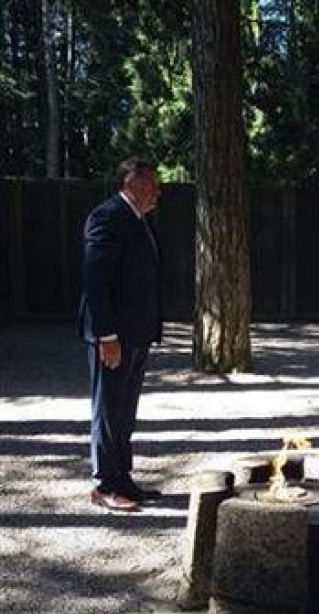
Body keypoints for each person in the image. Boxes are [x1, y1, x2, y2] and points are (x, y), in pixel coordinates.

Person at [78, 157, 163, 512]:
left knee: (125, 412)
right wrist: (106, 334)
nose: (158, 191)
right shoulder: (108, 216)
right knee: (108, 410)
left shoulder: (138, 219)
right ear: (133, 183)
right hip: (115, 335)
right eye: (153, 184)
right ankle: (104, 484)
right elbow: (96, 280)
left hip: (137, 333)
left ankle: (122, 477)